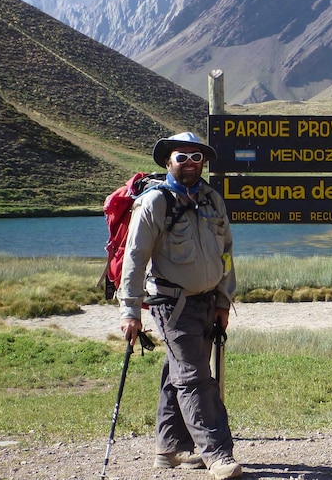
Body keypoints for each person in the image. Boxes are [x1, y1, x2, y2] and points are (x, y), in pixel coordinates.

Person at [117, 131, 242, 479]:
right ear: (168, 161)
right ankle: (217, 454)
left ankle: (169, 448)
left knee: (180, 374)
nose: (190, 163)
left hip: (207, 303)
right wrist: (129, 311)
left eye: (196, 157)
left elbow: (226, 253)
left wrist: (223, 299)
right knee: (196, 379)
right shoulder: (155, 202)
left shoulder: (212, 199)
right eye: (181, 157)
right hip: (171, 305)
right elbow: (135, 258)